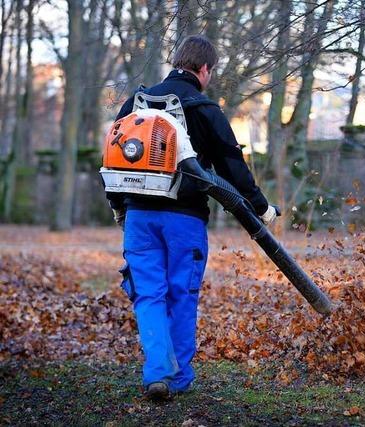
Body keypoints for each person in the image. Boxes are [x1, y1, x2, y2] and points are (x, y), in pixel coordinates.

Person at [107, 35, 278, 400]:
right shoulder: (205, 108)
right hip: (183, 220)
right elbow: (234, 169)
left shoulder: (135, 105)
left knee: (148, 295)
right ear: (204, 69)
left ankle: (157, 373)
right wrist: (263, 209)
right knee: (181, 294)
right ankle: (179, 378)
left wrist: (120, 207)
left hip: (138, 218)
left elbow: (113, 155)